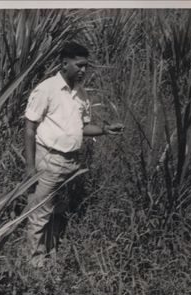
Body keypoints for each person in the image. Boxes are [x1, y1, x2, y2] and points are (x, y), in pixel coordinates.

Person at [24, 41, 124, 268]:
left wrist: (104, 130)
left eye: (86, 66)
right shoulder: (46, 89)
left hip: (71, 163)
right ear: (64, 63)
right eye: (79, 65)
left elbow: (82, 127)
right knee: (39, 214)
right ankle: (33, 268)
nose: (83, 70)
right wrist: (30, 166)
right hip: (48, 160)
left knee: (57, 210)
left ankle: (51, 256)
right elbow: (29, 127)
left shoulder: (81, 94)